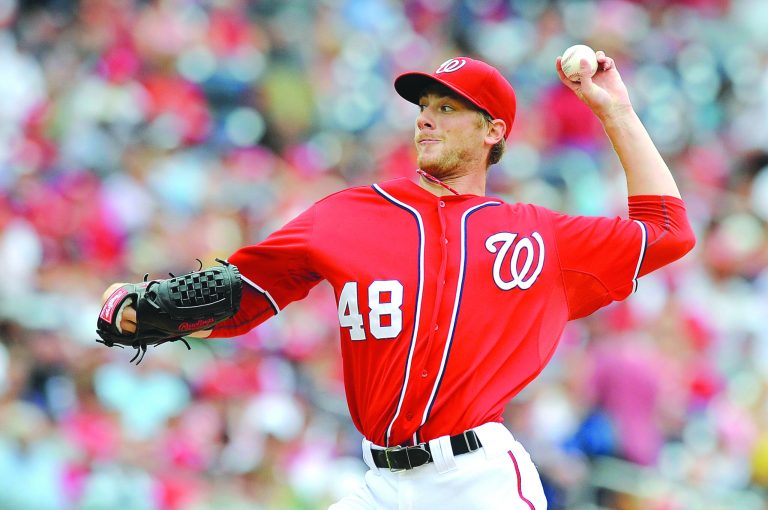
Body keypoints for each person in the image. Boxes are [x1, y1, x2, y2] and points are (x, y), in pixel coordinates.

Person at [103, 52, 695, 509]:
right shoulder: (349, 214)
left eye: (448, 108)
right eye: (424, 106)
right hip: (382, 484)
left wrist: (614, 110)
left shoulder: (537, 235)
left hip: (479, 482)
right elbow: (245, 291)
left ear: (492, 131)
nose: (426, 119)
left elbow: (668, 231)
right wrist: (147, 311)